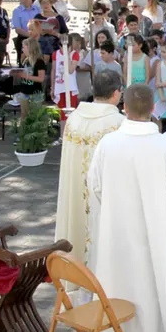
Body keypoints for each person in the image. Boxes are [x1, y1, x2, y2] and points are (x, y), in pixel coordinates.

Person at [88, 84, 166, 332]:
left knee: (118, 283)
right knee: (154, 288)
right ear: (153, 109)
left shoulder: (108, 143)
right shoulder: (165, 147)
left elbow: (94, 185)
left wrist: (114, 207)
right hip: (154, 236)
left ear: (123, 108)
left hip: (117, 234)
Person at [55, 69, 125, 272]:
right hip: (105, 198)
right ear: (116, 93)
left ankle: (76, 276)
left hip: (76, 194)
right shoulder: (118, 124)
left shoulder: (74, 119)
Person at [12, 37, 47, 119]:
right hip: (24, 91)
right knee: (24, 115)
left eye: (24, 47)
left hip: (35, 93)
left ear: (30, 48)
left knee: (35, 116)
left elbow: (41, 78)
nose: (22, 49)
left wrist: (26, 76)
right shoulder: (26, 60)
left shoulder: (39, 61)